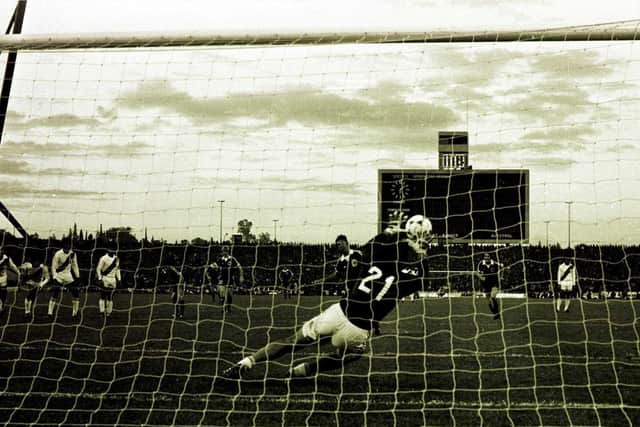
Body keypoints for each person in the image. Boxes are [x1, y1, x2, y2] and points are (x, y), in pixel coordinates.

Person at [222, 214, 432, 380]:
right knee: (349, 355)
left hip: (340, 311)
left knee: (291, 341)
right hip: (358, 330)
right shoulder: (407, 278)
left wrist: (389, 233)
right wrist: (422, 250)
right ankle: (304, 370)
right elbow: (422, 275)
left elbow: (372, 248)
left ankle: (247, 362)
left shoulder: (375, 260)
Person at [49, 238, 81, 319]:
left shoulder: (73, 254)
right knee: (55, 293)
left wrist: (77, 277)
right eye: (66, 245)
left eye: (69, 245)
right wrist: (55, 277)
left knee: (76, 292)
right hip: (59, 275)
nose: (68, 247)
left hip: (68, 275)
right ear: (63, 246)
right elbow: (53, 267)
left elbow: (75, 265)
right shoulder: (58, 254)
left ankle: (75, 313)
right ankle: (50, 313)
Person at [213, 245, 244, 314]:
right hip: (222, 279)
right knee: (222, 295)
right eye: (223, 251)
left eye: (226, 251)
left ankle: (228, 308)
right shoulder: (220, 260)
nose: (224, 252)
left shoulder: (232, 259)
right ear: (222, 252)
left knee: (229, 295)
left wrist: (241, 276)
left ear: (228, 251)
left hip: (230, 279)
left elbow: (240, 267)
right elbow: (213, 266)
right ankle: (223, 309)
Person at [476, 252, 505, 320]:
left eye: (488, 256)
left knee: (492, 297)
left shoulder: (494, 264)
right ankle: (496, 314)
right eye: (485, 257)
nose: (486, 258)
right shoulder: (481, 264)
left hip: (494, 283)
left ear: (490, 257)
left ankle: (497, 313)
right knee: (489, 301)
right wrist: (481, 278)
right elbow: (477, 273)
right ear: (484, 258)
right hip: (485, 285)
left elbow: (502, 267)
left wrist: (501, 277)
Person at [96, 243, 121, 319]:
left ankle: (108, 313)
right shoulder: (103, 258)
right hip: (105, 278)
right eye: (110, 248)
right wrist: (100, 279)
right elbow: (98, 269)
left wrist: (119, 279)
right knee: (103, 296)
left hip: (113, 280)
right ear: (107, 249)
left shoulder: (117, 258)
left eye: (113, 249)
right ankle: (102, 312)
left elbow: (117, 269)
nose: (112, 250)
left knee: (110, 297)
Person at [0, 247, 21, 314]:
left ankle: (2, 306)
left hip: (3, 279)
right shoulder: (4, 259)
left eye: (1, 249)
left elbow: (12, 265)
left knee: (3, 294)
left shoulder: (7, 258)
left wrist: (18, 272)